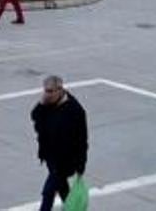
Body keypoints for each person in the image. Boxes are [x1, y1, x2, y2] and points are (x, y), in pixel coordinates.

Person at [31, 75, 88, 211]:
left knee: (48, 192)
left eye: (50, 91)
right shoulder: (47, 104)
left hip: (65, 161)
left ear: (60, 90)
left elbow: (82, 140)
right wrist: (41, 104)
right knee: (62, 189)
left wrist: (80, 167)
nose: (47, 94)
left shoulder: (75, 110)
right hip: (50, 156)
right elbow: (34, 116)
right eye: (45, 90)